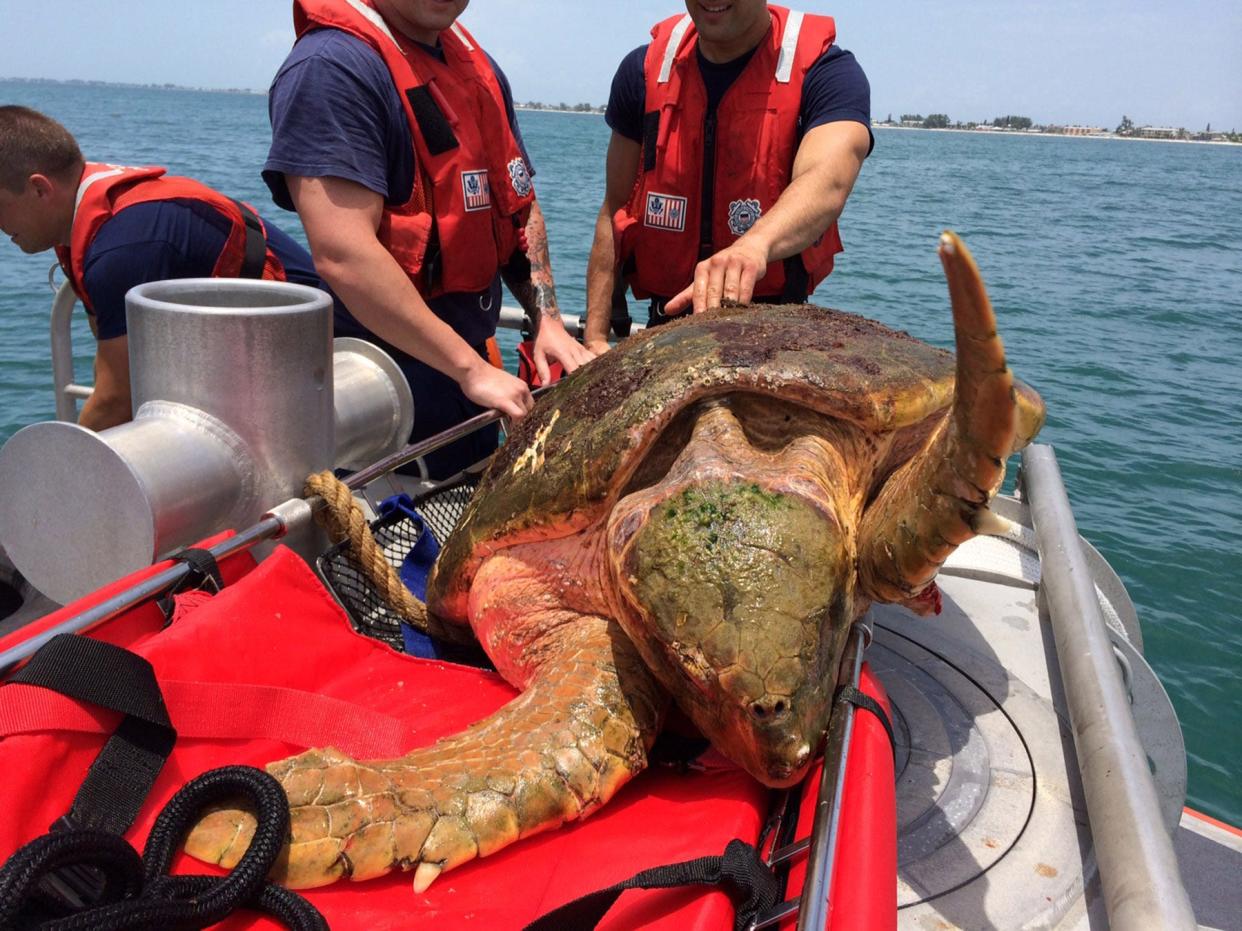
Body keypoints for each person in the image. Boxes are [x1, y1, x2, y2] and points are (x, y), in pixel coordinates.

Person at [264, 0, 592, 479]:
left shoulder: (477, 68)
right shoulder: (331, 68)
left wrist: (547, 320)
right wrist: (471, 371)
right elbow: (343, 255)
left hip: (473, 379)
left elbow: (517, 201)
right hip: (376, 389)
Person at [0, 105, 328, 432]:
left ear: (40, 188)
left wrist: (61, 472)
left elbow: (116, 402)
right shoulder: (90, 215)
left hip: (323, 349)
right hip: (255, 350)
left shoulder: (122, 249)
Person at [583, 1, 873, 353]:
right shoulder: (642, 72)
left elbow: (828, 179)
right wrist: (595, 337)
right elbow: (616, 208)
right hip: (665, 331)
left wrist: (754, 246)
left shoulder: (827, 71)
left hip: (775, 333)